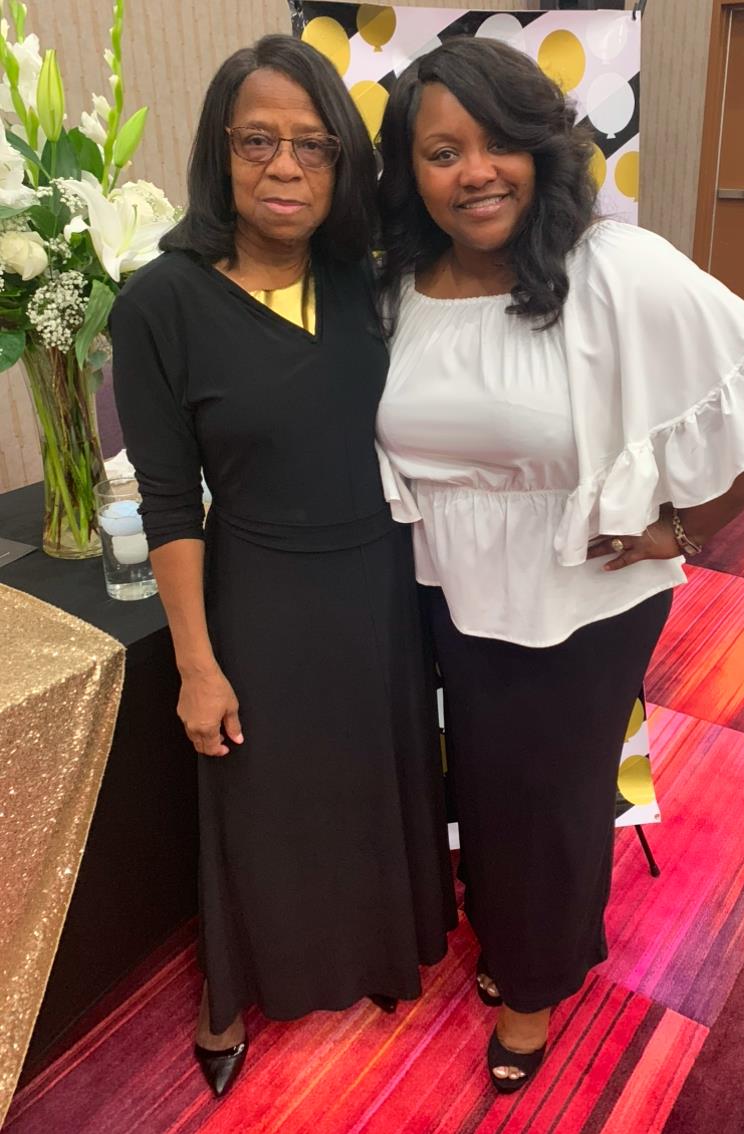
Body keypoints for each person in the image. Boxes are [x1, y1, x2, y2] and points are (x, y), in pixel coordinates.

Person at [375, 37, 744, 1094]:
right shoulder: (400, 291)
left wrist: (685, 532)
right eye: (441, 153)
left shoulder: (612, 267)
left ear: (541, 147)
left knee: (550, 798)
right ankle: (511, 931)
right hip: (447, 588)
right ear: (410, 174)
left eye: (498, 144)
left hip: (580, 591)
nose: (474, 172)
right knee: (483, 779)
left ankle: (534, 984)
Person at [110, 34, 456, 1099]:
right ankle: (231, 994)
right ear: (219, 151)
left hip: (379, 578)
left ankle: (372, 948)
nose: (286, 167)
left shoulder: (367, 281)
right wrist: (196, 665)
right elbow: (169, 501)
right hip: (258, 586)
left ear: (343, 161)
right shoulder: (160, 302)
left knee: (371, 772)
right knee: (259, 797)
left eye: (313, 145)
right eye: (257, 140)